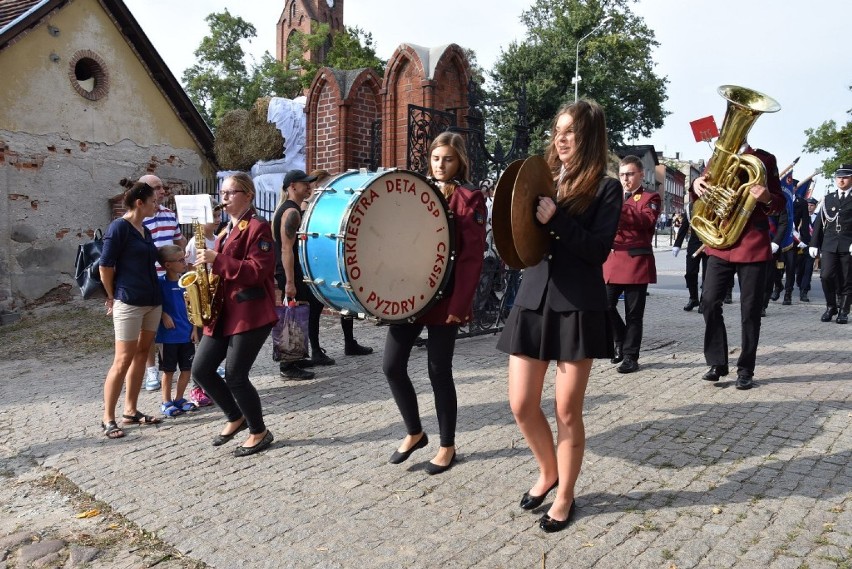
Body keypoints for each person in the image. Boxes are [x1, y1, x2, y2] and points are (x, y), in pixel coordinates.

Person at [497, 99, 622, 532]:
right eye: (557, 129)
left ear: (588, 136)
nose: (560, 138)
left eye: (570, 131)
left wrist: (556, 221)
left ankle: (565, 494)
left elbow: (597, 250)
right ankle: (547, 471)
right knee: (520, 404)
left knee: (567, 410)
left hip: (577, 306)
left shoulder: (607, 188)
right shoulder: (542, 178)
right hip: (533, 300)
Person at [383, 131, 486, 476]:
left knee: (438, 372)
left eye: (448, 159)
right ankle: (415, 432)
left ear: (460, 162)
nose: (440, 165)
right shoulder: (416, 190)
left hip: (445, 298)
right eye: (436, 158)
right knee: (391, 365)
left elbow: (472, 258)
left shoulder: (471, 199)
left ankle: (447, 445)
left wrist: (461, 303)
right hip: (411, 294)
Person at [191, 173, 277, 456]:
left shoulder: (259, 228)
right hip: (223, 311)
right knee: (201, 369)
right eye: (222, 192)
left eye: (230, 193)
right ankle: (235, 416)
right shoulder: (227, 229)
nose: (223, 198)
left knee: (236, 375)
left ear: (248, 195)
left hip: (250, 311)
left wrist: (219, 260)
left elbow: (257, 271)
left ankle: (259, 431)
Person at [692, 144, 785, 390]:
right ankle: (717, 363)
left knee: (750, 310)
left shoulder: (764, 159)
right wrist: (695, 186)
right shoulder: (717, 157)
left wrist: (765, 197)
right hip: (721, 242)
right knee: (709, 301)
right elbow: (706, 194)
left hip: (752, 243)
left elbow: (779, 202)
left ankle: (746, 369)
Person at [98, 181, 164, 439]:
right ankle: (108, 418)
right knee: (122, 359)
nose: (156, 205)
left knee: (142, 353)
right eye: (153, 201)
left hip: (152, 301)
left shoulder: (144, 229)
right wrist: (112, 296)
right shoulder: (118, 228)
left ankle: (131, 411)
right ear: (140, 203)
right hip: (128, 300)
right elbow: (105, 266)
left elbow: (155, 257)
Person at [272, 169, 334, 381]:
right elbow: (286, 250)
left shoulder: (289, 208)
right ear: (292, 187)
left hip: (292, 271)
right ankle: (288, 366)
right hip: (291, 272)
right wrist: (290, 282)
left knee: (298, 316)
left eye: (309, 183)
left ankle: (295, 358)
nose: (309, 186)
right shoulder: (292, 212)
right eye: (304, 183)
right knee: (291, 319)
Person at [603, 155, 660, 373]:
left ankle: (630, 356)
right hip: (613, 259)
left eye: (630, 174)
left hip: (637, 260)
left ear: (641, 174)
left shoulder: (650, 197)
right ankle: (620, 340)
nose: (625, 178)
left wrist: (618, 207)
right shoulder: (615, 196)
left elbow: (646, 221)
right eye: (622, 174)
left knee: (634, 314)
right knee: (604, 305)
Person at [308, 169, 373, 357]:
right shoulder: (309, 207)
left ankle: (349, 342)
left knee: (346, 303)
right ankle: (315, 349)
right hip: (316, 262)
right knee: (314, 309)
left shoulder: (330, 206)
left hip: (333, 258)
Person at [140, 174, 186, 393]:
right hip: (150, 278)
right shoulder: (139, 218)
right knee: (149, 328)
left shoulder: (169, 214)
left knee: (176, 318)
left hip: (170, 277)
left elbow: (178, 239)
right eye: (157, 188)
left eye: (162, 187)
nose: (163, 191)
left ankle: (176, 362)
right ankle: (151, 370)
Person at [155, 245, 198, 417]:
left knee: (187, 369)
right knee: (168, 370)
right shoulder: (159, 283)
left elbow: (194, 308)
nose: (184, 262)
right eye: (180, 260)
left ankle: (180, 398)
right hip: (169, 338)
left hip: (187, 334)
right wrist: (163, 314)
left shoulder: (188, 282)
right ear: (168, 265)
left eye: (184, 258)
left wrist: (195, 329)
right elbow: (153, 304)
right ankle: (166, 401)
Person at [809, 164, 852, 323]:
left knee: (847, 279)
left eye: (845, 177)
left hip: (848, 244)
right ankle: (831, 306)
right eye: (839, 177)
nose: (842, 180)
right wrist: (814, 244)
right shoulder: (828, 198)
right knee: (826, 275)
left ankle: (844, 311)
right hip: (829, 243)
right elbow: (820, 223)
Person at [672, 200, 708, 312]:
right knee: (690, 273)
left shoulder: (714, 202)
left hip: (710, 243)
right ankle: (693, 298)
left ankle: (704, 301)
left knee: (708, 276)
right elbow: (684, 226)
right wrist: (677, 244)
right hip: (694, 243)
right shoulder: (691, 206)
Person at [796, 197, 819, 302]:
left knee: (808, 269)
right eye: (808, 205)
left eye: (812, 205)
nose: (809, 207)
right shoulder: (801, 217)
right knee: (800, 270)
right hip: (801, 246)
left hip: (812, 247)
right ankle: (801, 283)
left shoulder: (819, 218)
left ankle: (804, 292)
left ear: (815, 206)